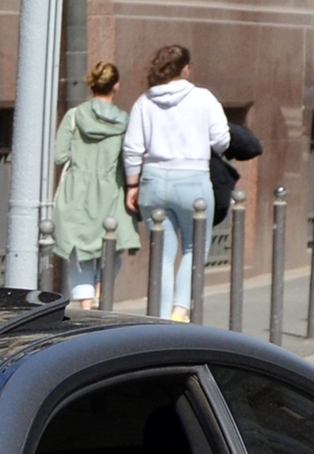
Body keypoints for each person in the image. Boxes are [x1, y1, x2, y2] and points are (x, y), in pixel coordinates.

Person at [121, 44, 229, 322]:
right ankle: (180, 310)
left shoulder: (144, 101)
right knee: (195, 249)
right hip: (193, 181)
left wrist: (132, 185)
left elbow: (132, 147)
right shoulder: (203, 98)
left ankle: (159, 318)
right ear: (186, 69)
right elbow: (221, 140)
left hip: (153, 181)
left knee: (162, 254)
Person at [53, 61, 135, 308]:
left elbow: (59, 156)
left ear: (91, 85)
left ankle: (86, 308)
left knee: (78, 255)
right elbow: (130, 157)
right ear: (116, 86)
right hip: (111, 188)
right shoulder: (125, 121)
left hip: (76, 191)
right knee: (113, 246)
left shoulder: (75, 116)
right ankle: (101, 291)